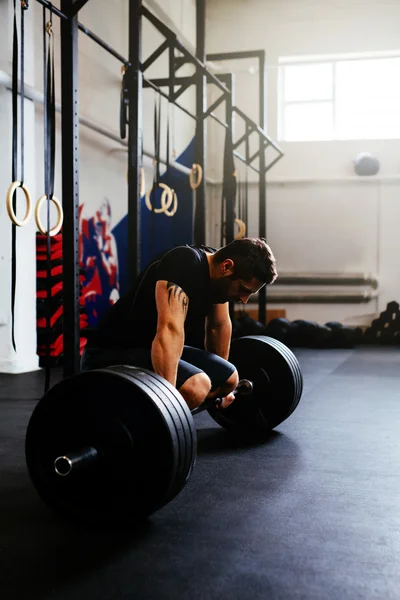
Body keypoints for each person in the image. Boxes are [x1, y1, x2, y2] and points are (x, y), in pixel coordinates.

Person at [81, 238, 277, 411]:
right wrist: (167, 406)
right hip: (111, 351)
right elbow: (169, 330)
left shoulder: (219, 275)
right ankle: (135, 424)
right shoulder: (183, 263)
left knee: (230, 378)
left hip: (148, 347)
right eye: (243, 289)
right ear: (226, 267)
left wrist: (220, 384)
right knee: (196, 387)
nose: (244, 300)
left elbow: (218, 326)